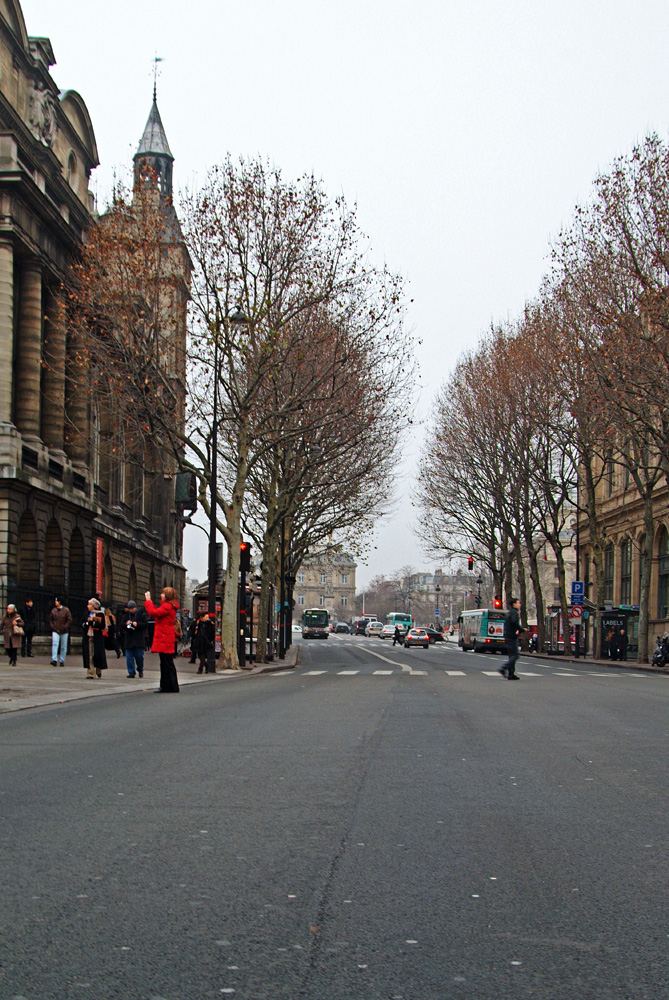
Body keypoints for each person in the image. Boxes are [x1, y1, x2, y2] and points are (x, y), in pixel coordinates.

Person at [144, 587, 180, 693]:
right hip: (167, 636)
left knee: (165, 663)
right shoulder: (171, 606)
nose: (161, 595)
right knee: (167, 662)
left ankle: (167, 686)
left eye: (163, 593)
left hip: (164, 636)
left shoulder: (167, 606)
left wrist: (148, 601)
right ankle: (170, 685)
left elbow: (154, 613)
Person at [120, 600, 149, 678]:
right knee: (129, 657)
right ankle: (131, 672)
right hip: (129, 639)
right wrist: (126, 624)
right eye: (129, 609)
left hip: (138, 639)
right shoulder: (126, 616)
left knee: (139, 656)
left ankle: (140, 669)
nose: (130, 610)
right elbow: (121, 624)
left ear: (135, 607)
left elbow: (145, 624)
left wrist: (137, 624)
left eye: (132, 609)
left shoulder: (141, 615)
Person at [499, 598, 524, 680]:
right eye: (518, 603)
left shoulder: (510, 612)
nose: (519, 604)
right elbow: (514, 622)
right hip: (511, 636)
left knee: (511, 655)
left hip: (508, 635)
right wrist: (521, 629)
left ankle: (511, 674)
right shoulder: (514, 612)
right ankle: (503, 668)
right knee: (515, 655)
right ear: (514, 604)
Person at [82, 598, 108, 678]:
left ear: (94, 606)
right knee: (89, 654)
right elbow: (82, 623)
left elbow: (102, 625)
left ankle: (98, 668)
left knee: (97, 654)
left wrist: (94, 624)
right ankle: (90, 673)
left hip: (97, 637)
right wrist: (86, 624)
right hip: (89, 636)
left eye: (89, 604)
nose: (88, 606)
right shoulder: (86, 613)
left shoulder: (100, 614)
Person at [49, 597, 72, 667]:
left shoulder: (66, 610)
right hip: (55, 629)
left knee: (63, 646)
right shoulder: (53, 610)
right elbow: (50, 619)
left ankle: (62, 660)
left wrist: (65, 626)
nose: (55, 602)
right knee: (55, 644)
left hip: (64, 631)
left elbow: (69, 619)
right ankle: (54, 659)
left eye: (56, 601)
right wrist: (53, 626)